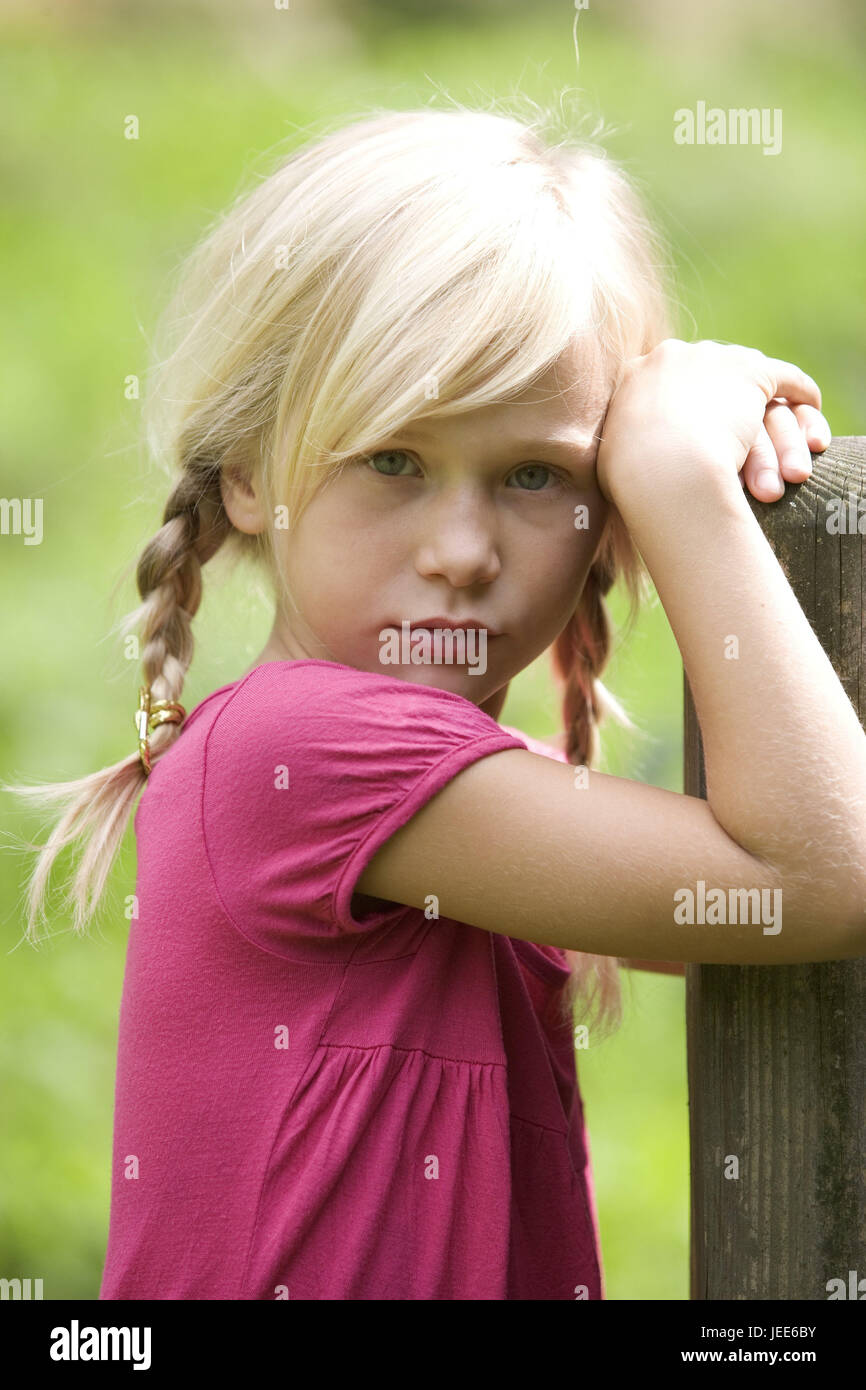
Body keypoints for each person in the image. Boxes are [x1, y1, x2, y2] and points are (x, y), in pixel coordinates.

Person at [7, 104, 866, 1301]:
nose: (461, 551)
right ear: (250, 470)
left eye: (534, 476)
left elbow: (769, 918)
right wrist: (684, 486)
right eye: (393, 462)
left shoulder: (455, 789)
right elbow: (817, 880)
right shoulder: (303, 751)